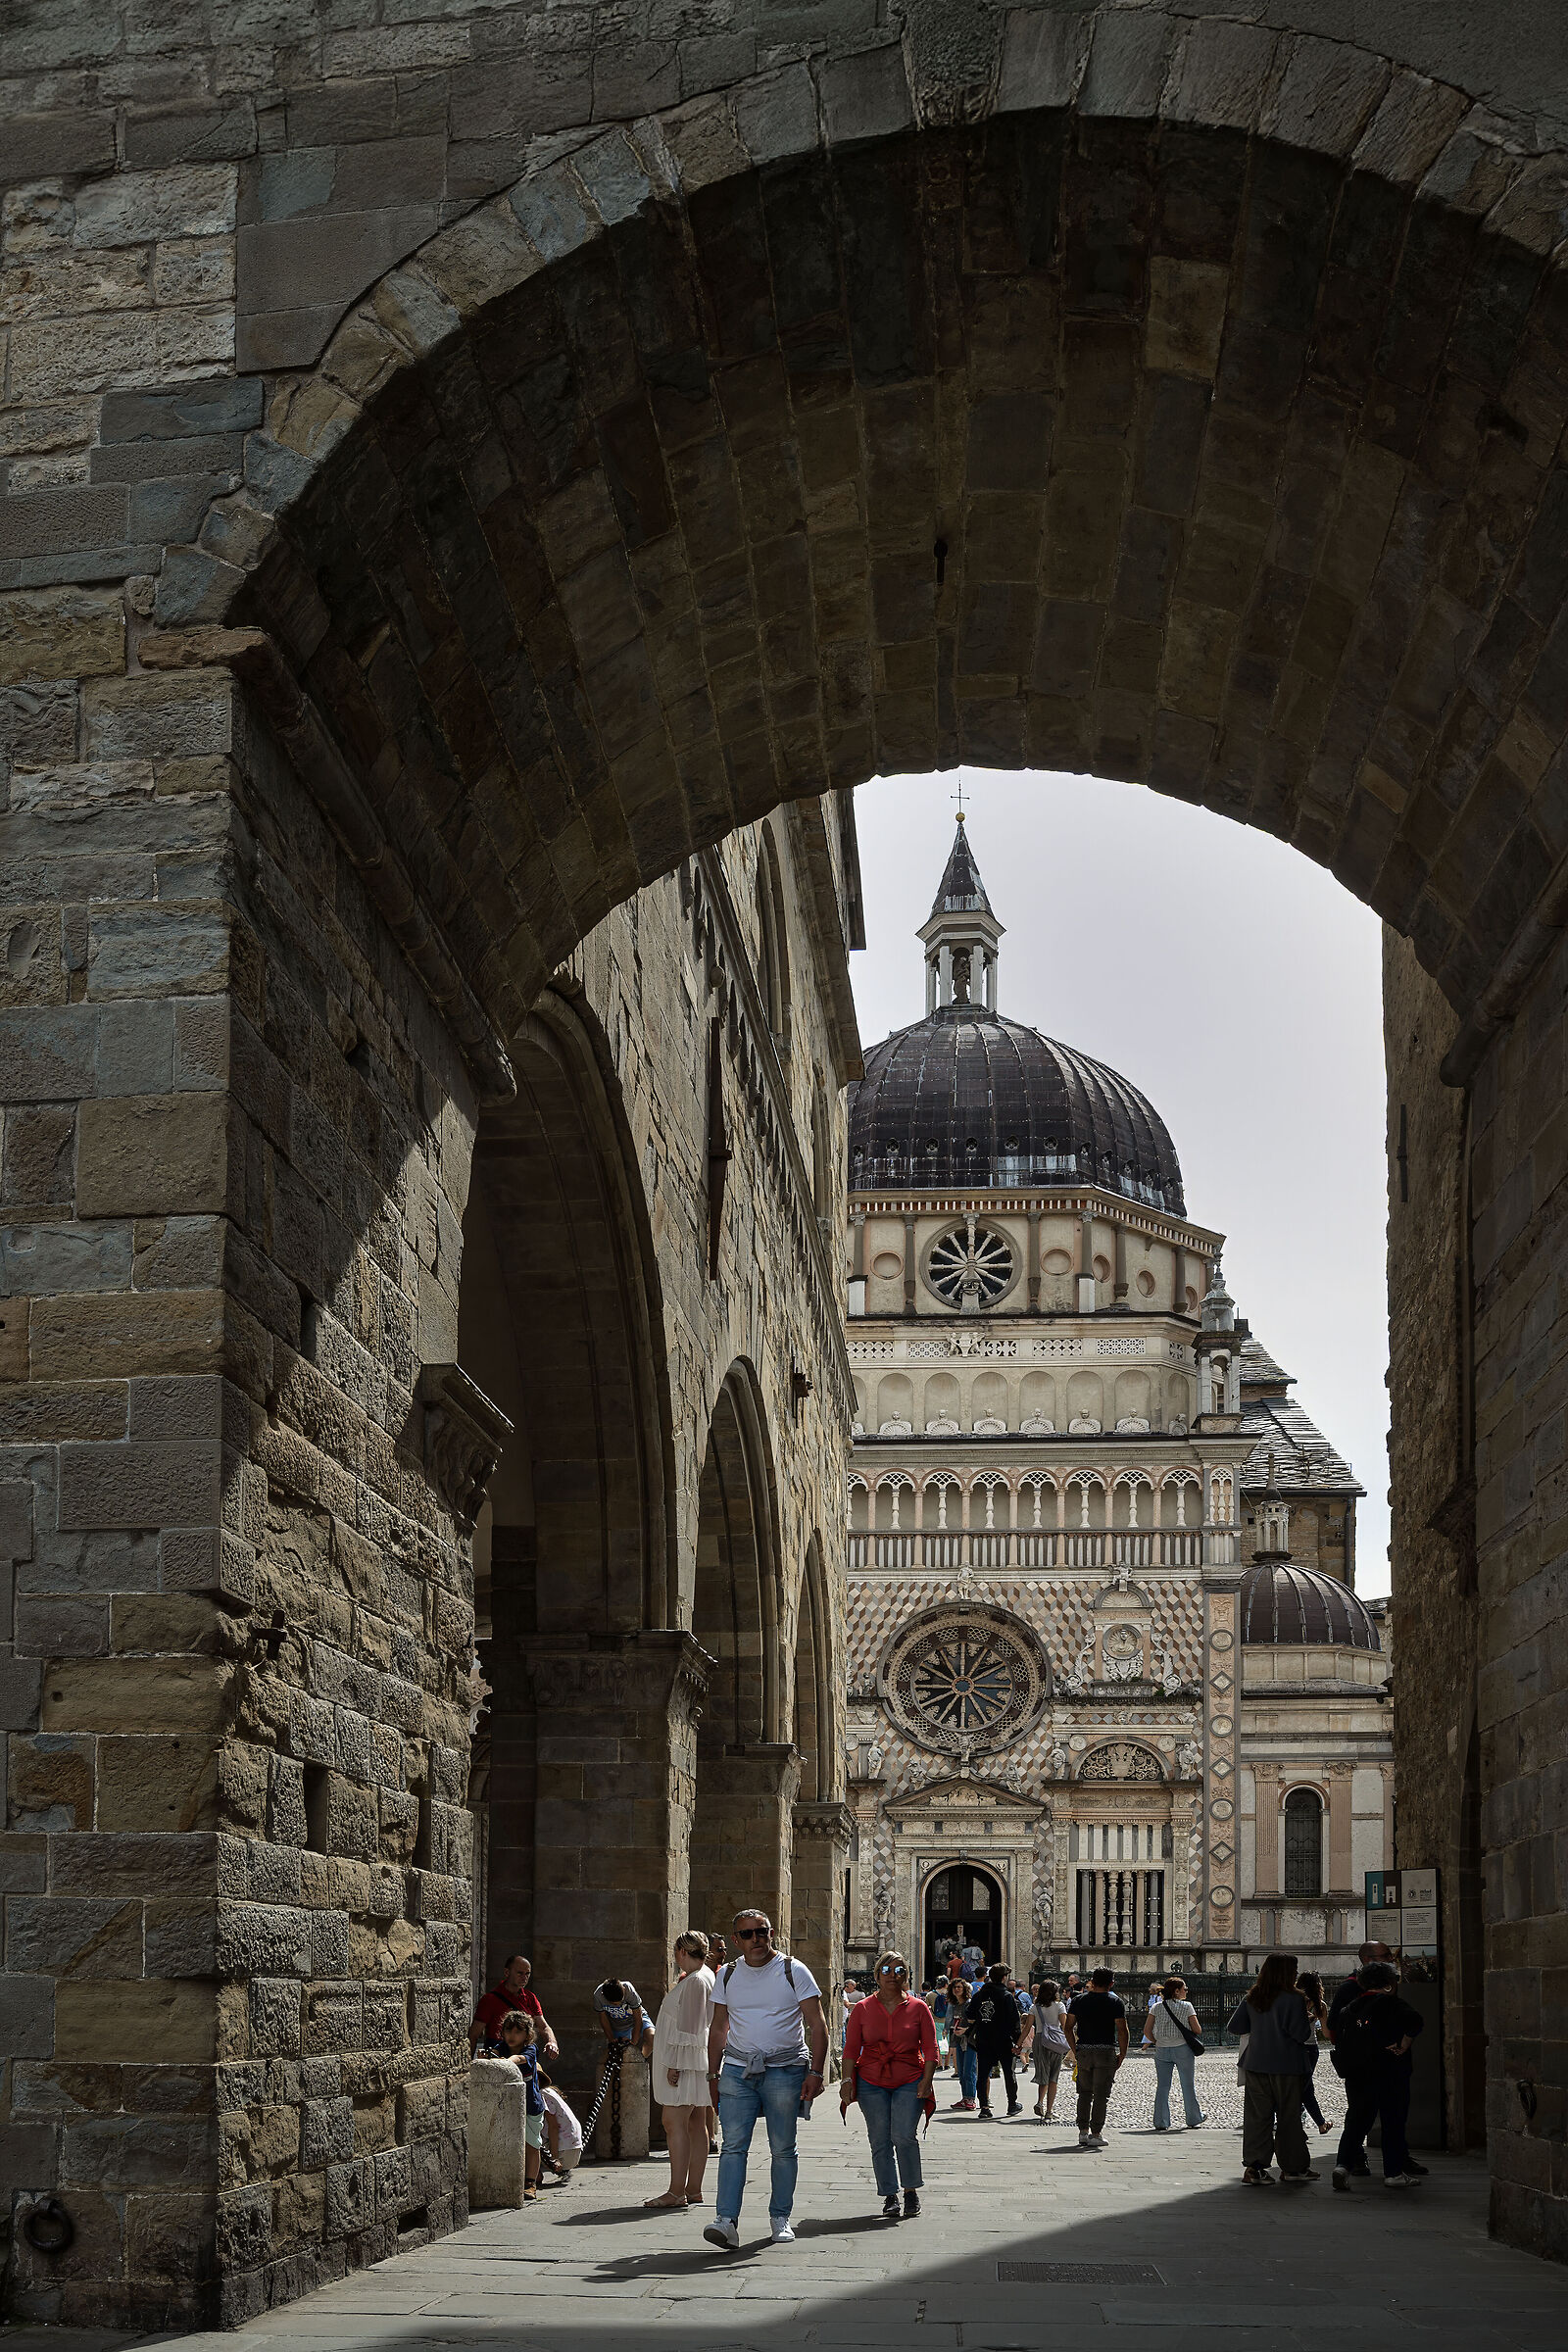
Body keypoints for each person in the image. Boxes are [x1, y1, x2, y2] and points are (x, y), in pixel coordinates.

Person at [703, 1907, 828, 2250]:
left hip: (785, 2070)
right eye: (747, 1934)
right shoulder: (726, 1975)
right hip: (738, 2070)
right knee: (732, 2147)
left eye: (762, 1932)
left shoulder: (793, 1970)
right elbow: (718, 2028)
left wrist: (816, 2072)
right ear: (736, 1940)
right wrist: (712, 2073)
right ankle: (726, 2220)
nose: (756, 1939)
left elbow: (818, 2026)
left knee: (783, 2147)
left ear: (771, 1933)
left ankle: (780, 2216)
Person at [841, 1950, 938, 2219]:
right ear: (876, 1975)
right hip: (872, 2080)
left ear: (907, 1975)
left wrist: (927, 2080)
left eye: (899, 1971)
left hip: (910, 2078)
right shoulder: (862, 2008)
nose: (893, 1976)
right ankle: (890, 2195)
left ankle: (910, 2190)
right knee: (880, 2139)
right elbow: (850, 2049)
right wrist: (846, 2080)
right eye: (886, 1970)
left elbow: (930, 2048)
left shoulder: (919, 2008)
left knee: (904, 2135)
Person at [1330, 1960, 1426, 2190]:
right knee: (1392, 2121)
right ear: (1388, 1983)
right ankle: (1393, 2173)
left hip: (1358, 2073)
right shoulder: (1390, 2003)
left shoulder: (1349, 2008)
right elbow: (1416, 2021)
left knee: (1355, 2121)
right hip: (1389, 2070)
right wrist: (1403, 2043)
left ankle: (1343, 2165)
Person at [1226, 1954, 1319, 2186]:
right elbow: (1301, 2034)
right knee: (1289, 2118)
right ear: (1286, 1973)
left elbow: (1235, 2026)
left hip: (1256, 2064)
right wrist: (1305, 2020)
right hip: (1288, 2065)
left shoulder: (1253, 1997)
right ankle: (1294, 2168)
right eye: (1294, 1970)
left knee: (1257, 2117)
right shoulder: (1294, 1999)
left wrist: (1261, 2027)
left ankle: (1255, 2167)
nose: (1297, 1974)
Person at [647, 1931, 715, 2210]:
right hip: (695, 2061)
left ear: (682, 1952)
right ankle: (692, 2188)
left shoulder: (697, 1980)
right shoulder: (703, 1976)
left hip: (686, 2062)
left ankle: (677, 2191)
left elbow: (690, 2028)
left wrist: (674, 2064)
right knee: (695, 2123)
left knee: (673, 2121)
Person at [1065, 1967, 1128, 2148]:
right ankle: (1096, 2133)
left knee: (1084, 2092)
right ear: (1111, 1983)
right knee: (1101, 2094)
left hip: (1084, 2051)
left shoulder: (1078, 2000)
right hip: (1105, 2051)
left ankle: (1083, 2131)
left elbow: (1068, 2027)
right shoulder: (1115, 2002)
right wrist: (1122, 2053)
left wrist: (1074, 2048)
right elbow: (1122, 2031)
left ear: (1092, 1981)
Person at [486, 2011, 546, 2199]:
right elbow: (492, 2054)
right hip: (508, 2106)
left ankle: (531, 2183)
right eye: (508, 2031)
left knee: (531, 2143)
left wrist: (508, 2062)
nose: (512, 2036)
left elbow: (520, 2059)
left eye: (517, 2032)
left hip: (531, 2105)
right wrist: (488, 2056)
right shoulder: (501, 2047)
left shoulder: (530, 2049)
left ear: (527, 2035)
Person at [1143, 1975, 1206, 2132]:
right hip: (1182, 2048)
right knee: (1187, 2084)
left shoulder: (1156, 2007)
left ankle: (1161, 2121)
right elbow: (1197, 2029)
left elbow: (1147, 2030)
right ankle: (1193, 2118)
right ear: (1177, 1991)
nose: (1186, 1991)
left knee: (1163, 2086)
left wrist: (1157, 2041)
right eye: (1184, 1989)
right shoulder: (1187, 2006)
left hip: (1162, 2049)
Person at [470, 1953, 558, 2060]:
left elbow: (543, 2026)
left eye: (527, 1974)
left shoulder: (530, 1998)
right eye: (520, 1973)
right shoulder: (489, 2000)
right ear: (507, 1972)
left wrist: (552, 2042)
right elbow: (474, 2035)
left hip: (524, 2054)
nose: (524, 1978)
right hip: (497, 2054)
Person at [969, 1960, 1023, 2119]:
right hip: (1003, 2039)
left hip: (984, 2039)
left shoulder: (979, 1995)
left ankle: (984, 2107)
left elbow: (970, 2013)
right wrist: (1017, 2042)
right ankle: (1012, 2105)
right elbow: (1014, 2021)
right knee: (1008, 2072)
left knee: (983, 2073)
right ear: (1004, 1977)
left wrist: (982, 2020)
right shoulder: (1007, 1996)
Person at [1295, 1971, 1334, 2136]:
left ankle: (1309, 2123)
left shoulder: (1293, 2001)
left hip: (1294, 2047)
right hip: (1311, 2049)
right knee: (1305, 2087)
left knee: (1300, 2087)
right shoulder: (1321, 2005)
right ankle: (1320, 2123)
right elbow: (1326, 2033)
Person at [1027, 1977, 1069, 2122]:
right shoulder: (1059, 2006)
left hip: (1039, 2040)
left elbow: (1027, 2028)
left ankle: (1040, 2102)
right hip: (1055, 2042)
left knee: (1042, 2075)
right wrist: (1072, 2044)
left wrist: (1019, 2044)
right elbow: (1065, 2026)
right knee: (1053, 2077)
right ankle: (1049, 2111)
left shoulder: (1034, 2007)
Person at [537, 2071, 583, 2180]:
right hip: (573, 2149)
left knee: (527, 2138)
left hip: (565, 2153)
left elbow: (554, 2127)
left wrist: (555, 2158)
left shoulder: (542, 2095)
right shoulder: (550, 2092)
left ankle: (534, 2176)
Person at [948, 1979, 978, 2110]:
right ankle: (965, 2097)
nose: (957, 1989)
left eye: (959, 1987)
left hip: (969, 2041)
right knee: (961, 2071)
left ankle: (971, 2099)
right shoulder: (955, 2005)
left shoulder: (969, 2004)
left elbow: (977, 2022)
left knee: (969, 2070)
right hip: (959, 2040)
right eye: (955, 1987)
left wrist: (965, 2030)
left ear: (965, 1989)